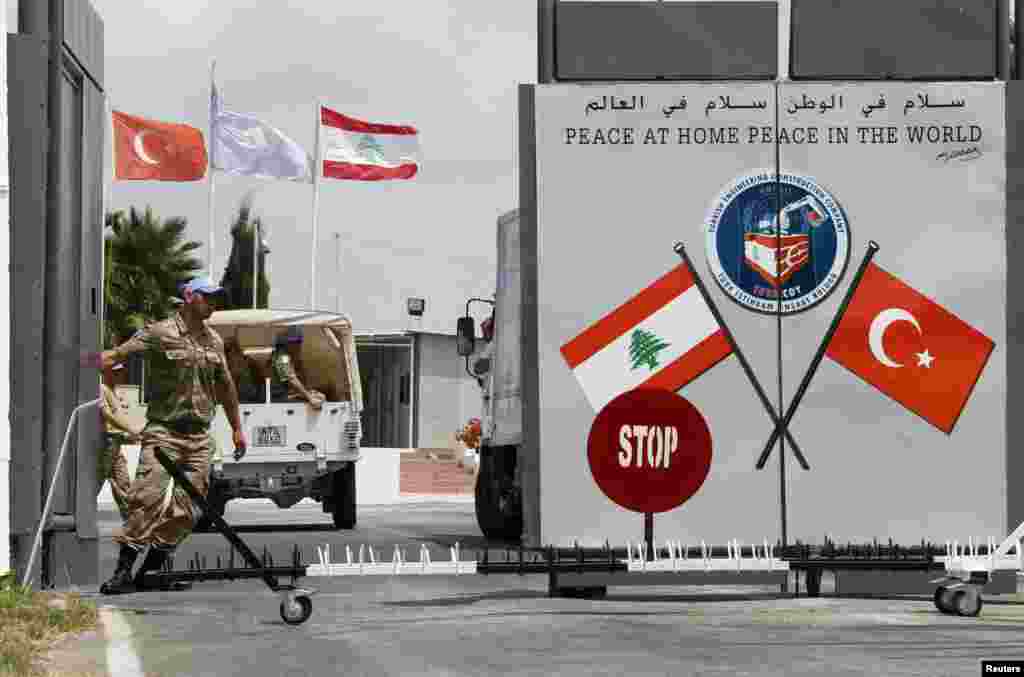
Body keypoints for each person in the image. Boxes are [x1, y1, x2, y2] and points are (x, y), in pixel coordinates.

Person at [85, 276, 247, 595]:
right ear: (188, 296)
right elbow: (116, 356)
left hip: (199, 438)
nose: (214, 303)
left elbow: (226, 386)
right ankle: (122, 573)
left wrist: (237, 428)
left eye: (216, 298)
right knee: (146, 500)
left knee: (189, 510)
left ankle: (151, 571)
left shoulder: (213, 340)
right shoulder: (159, 332)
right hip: (164, 433)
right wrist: (75, 362)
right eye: (207, 297)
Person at [98, 361, 143, 521]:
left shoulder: (114, 392)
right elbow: (107, 415)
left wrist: (128, 433)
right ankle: (81, 516)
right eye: (116, 371)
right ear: (106, 372)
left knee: (123, 484)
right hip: (106, 446)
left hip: (116, 444)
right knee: (96, 483)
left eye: (121, 371)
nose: (120, 374)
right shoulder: (101, 389)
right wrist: (130, 429)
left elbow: (116, 419)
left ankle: (131, 522)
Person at [269, 327, 324, 410]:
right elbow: (291, 378)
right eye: (297, 342)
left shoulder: (282, 356)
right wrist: (309, 397)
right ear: (287, 343)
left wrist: (307, 392)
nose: (299, 346)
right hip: (277, 398)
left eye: (299, 342)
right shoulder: (282, 357)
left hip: (280, 396)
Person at [224, 337, 263, 404]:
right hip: (238, 399)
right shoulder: (226, 364)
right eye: (226, 351)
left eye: (228, 350)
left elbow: (260, 380)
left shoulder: (250, 362)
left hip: (250, 399)